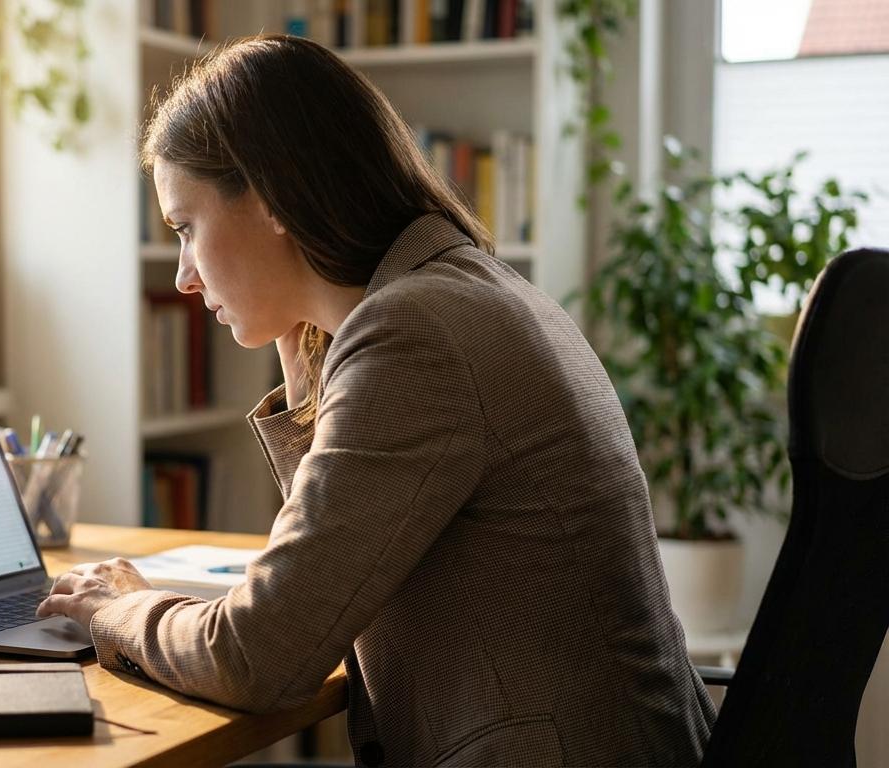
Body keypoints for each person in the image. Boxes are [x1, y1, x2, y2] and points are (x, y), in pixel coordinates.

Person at [36, 34, 715, 766]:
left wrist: (119, 607)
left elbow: (259, 656)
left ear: (270, 197)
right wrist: (302, 357)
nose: (184, 277)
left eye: (186, 228)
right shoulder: (464, 288)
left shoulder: (415, 334)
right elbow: (330, 573)